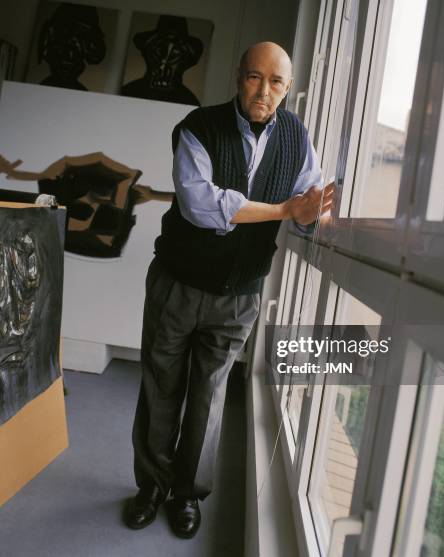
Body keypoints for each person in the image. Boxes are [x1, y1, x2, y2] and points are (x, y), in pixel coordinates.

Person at [124, 41, 335, 538]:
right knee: (161, 386)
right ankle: (151, 487)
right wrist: (286, 210)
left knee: (209, 396)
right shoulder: (198, 128)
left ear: (289, 89)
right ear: (239, 77)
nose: (264, 91)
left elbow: (310, 208)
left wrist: (312, 217)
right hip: (177, 282)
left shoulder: (298, 138)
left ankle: (186, 493)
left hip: (240, 293)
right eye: (254, 77)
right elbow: (201, 204)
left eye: (276, 82)